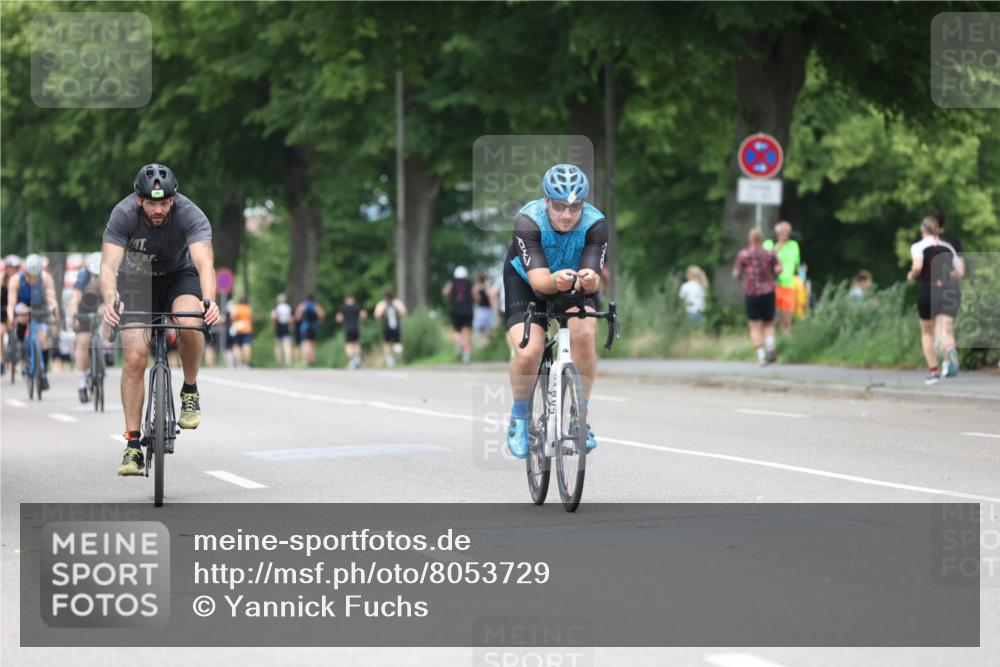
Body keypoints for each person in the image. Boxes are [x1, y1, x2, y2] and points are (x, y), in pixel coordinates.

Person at [101, 163, 221, 476]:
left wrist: (209, 301)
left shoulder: (189, 214)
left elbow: (204, 263)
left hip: (179, 276)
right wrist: (110, 298)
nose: (158, 209)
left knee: (190, 319)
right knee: (135, 357)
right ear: (139, 200)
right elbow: (108, 266)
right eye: (152, 203)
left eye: (164, 202)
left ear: (173, 199)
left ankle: (190, 391)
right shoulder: (123, 214)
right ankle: (131, 445)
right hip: (138, 279)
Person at [503, 163, 609, 458]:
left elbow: (594, 274)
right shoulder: (528, 221)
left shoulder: (595, 223)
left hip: (573, 283)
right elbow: (539, 281)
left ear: (583, 205)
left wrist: (589, 279)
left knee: (585, 333)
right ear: (546, 201)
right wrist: (555, 280)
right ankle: (520, 418)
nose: (567, 215)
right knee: (528, 351)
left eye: (574, 208)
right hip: (527, 282)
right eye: (560, 206)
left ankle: (580, 417)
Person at [907, 216, 962, 385]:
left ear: (922, 230)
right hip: (948, 291)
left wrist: (911, 275)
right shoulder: (948, 247)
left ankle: (933, 372)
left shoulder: (918, 246)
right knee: (945, 330)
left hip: (928, 290)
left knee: (927, 332)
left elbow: (917, 267)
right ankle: (950, 349)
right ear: (938, 230)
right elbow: (959, 272)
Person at [6, 253, 60, 390]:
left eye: (36, 276)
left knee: (45, 339)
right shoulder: (16, 280)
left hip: (39, 306)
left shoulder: (46, 278)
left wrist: (54, 311)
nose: (33, 279)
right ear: (25, 272)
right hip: (22, 305)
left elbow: (51, 297)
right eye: (31, 275)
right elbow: (11, 303)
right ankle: (21, 346)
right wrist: (12, 317)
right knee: (22, 314)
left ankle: (43, 372)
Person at [732, 228, 782, 366]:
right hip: (768, 292)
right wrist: (772, 276)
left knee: (755, 327)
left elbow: (736, 273)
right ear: (761, 239)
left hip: (752, 293)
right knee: (769, 323)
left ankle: (761, 357)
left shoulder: (744, 254)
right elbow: (779, 269)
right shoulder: (769, 254)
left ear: (749, 239)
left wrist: (744, 277)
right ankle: (771, 346)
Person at [931, 209, 964, 377]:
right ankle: (947, 363)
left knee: (938, 331)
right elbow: (960, 271)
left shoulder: (929, 243)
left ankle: (948, 354)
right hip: (953, 290)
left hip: (936, 290)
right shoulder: (954, 242)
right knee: (948, 329)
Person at [68, 252, 105, 402]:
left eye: (99, 275)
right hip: (84, 307)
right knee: (83, 342)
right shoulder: (84, 276)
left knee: (107, 314)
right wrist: (73, 317)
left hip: (101, 303)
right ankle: (82, 383)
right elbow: (75, 298)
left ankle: (105, 345)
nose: (97, 278)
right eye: (94, 275)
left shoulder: (110, 272)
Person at [763, 221, 801, 334]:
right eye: (785, 231)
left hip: (788, 286)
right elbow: (766, 259)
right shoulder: (769, 243)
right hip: (772, 286)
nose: (788, 234)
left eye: (789, 231)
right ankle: (771, 342)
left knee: (786, 320)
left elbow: (797, 265)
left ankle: (786, 341)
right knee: (770, 319)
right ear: (778, 232)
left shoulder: (794, 245)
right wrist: (780, 243)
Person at [442, 266, 474, 363]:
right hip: (468, 310)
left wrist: (449, 298)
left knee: (456, 331)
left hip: (455, 310)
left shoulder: (452, 283)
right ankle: (467, 354)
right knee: (467, 333)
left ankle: (459, 344)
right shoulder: (469, 284)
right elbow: (475, 295)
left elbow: (445, 293)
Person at [373, 288, 407, 367]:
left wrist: (380, 320)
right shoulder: (397, 302)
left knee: (387, 343)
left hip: (387, 325)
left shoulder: (382, 304)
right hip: (396, 325)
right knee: (397, 341)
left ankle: (389, 359)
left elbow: (377, 315)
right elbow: (404, 312)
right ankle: (398, 352)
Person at [336, 293, 366, 369]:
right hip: (356, 327)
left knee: (349, 344)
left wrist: (342, 320)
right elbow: (363, 315)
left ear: (346, 300)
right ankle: (358, 359)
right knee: (356, 343)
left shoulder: (343, 307)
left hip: (348, 327)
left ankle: (352, 360)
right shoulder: (358, 306)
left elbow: (339, 318)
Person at [295, 294, 325, 367]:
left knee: (306, 344)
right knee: (313, 344)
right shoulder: (316, 305)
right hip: (314, 327)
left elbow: (297, 316)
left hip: (305, 327)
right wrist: (319, 321)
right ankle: (313, 361)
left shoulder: (302, 305)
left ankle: (309, 361)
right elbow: (322, 315)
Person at [472, 273, 499, 346]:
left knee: (481, 328)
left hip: (481, 309)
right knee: (488, 328)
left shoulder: (476, 288)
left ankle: (483, 343)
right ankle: (486, 343)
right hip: (487, 309)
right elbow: (492, 299)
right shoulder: (488, 287)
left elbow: (476, 300)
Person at [271, 293, 294, 367]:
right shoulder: (288, 308)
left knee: (278, 345)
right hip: (286, 326)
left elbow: (274, 317)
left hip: (279, 327)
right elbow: (291, 319)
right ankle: (288, 361)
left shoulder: (277, 308)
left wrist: (273, 325)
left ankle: (278, 361)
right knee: (287, 345)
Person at [231, 296, 254, 367]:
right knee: (246, 345)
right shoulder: (249, 308)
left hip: (238, 328)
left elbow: (233, 317)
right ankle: (246, 363)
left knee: (237, 345)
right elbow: (252, 318)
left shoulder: (236, 307)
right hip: (247, 328)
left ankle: (239, 362)